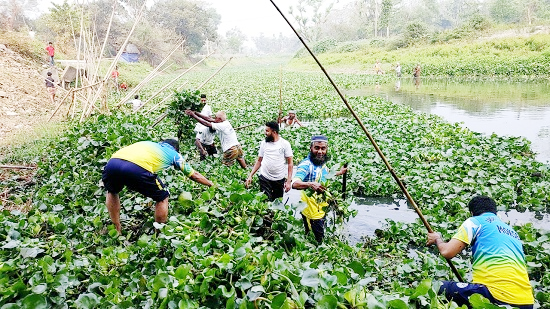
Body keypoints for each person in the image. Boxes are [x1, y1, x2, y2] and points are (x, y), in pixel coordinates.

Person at [427, 196, 534, 309]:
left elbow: (447, 252)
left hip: (497, 297)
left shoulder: (475, 222)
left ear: (472, 213)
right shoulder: (513, 232)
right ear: (495, 212)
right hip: (527, 302)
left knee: (435, 287)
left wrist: (437, 239)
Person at [102, 139, 213, 233]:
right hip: (136, 167)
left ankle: (117, 230)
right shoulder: (174, 154)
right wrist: (210, 184)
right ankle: (160, 233)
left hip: (112, 163)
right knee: (162, 197)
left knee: (112, 191)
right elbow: (194, 175)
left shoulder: (148, 143)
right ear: (176, 149)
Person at [292, 135, 347, 244]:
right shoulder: (306, 164)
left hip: (321, 207)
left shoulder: (321, 162)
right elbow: (294, 183)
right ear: (311, 148)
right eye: (317, 148)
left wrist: (339, 173)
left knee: (314, 235)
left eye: (323, 148)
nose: (320, 151)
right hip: (311, 210)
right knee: (317, 239)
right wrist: (310, 184)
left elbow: (325, 174)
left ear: (326, 149)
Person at [245, 121, 293, 201]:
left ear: (274, 132)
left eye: (267, 131)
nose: (265, 133)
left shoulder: (285, 144)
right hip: (265, 177)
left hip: (279, 178)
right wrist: (250, 175)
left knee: (277, 202)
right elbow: (259, 161)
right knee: (265, 201)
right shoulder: (264, 143)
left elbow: (290, 163)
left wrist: (288, 181)